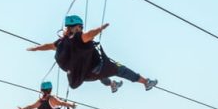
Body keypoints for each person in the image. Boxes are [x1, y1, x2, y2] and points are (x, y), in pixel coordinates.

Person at [27, 15, 158, 93]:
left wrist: (36, 48)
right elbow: (89, 34)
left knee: (102, 74)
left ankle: (113, 85)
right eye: (80, 27)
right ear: (76, 27)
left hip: (85, 75)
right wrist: (100, 29)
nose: (81, 29)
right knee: (120, 69)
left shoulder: (61, 42)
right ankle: (146, 82)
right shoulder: (79, 37)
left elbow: (48, 46)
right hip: (98, 68)